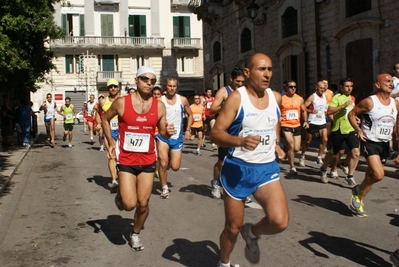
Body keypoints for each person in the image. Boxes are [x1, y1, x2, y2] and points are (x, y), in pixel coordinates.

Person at [210, 53, 288, 266]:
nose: (267, 74)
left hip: (265, 169)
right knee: (232, 228)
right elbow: (215, 134)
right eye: (261, 69)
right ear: (247, 72)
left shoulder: (275, 97)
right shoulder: (237, 98)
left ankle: (252, 232)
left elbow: (274, 121)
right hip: (238, 169)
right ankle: (224, 262)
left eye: (270, 69)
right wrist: (240, 141)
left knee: (279, 221)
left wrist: (276, 143)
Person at [102, 66, 174, 251]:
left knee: (143, 204)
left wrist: (168, 132)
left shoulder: (159, 106)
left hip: (148, 160)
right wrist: (110, 142)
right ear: (136, 80)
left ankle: (135, 234)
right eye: (145, 79)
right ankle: (121, 195)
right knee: (128, 204)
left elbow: (163, 133)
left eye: (152, 81)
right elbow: (104, 119)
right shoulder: (121, 103)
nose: (149, 83)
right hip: (126, 160)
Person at [348, 73, 399, 217]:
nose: (391, 84)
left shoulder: (395, 104)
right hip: (369, 141)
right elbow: (351, 114)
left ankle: (358, 200)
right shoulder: (369, 102)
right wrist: (358, 130)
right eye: (387, 81)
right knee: (378, 175)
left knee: (370, 174)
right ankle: (358, 189)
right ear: (378, 85)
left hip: (384, 144)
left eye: (392, 82)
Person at [209, 67, 245, 199]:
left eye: (242, 82)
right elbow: (212, 109)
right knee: (222, 161)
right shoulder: (224, 91)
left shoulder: (245, 92)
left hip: (241, 132)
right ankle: (216, 184)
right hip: (226, 132)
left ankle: (240, 189)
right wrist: (226, 105)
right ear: (231, 79)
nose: (240, 84)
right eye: (238, 81)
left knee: (242, 162)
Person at [156, 77, 193, 199]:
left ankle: (168, 159)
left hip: (177, 137)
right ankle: (164, 188)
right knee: (162, 163)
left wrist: (188, 130)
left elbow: (190, 114)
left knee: (175, 167)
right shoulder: (159, 100)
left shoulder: (182, 100)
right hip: (162, 136)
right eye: (169, 86)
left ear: (177, 87)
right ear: (165, 86)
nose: (172, 88)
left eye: (174, 86)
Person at [319, 78, 360, 186]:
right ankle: (323, 169)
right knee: (333, 152)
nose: (349, 88)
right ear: (341, 87)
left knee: (356, 152)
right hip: (339, 130)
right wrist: (342, 106)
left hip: (351, 129)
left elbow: (351, 113)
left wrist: (356, 118)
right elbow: (329, 111)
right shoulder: (336, 97)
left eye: (351, 86)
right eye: (347, 86)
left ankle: (350, 176)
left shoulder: (352, 98)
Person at [280, 80, 308, 175]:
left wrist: (305, 121)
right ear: (286, 88)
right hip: (285, 124)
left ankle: (285, 149)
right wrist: (278, 117)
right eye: (291, 87)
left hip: (296, 125)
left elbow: (303, 110)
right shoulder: (281, 98)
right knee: (291, 145)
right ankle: (292, 167)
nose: (293, 88)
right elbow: (276, 109)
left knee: (296, 148)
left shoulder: (299, 99)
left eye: (294, 87)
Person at [96, 79, 120, 189]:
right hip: (108, 131)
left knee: (122, 156)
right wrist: (98, 123)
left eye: (115, 86)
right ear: (108, 89)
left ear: (118, 87)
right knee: (111, 156)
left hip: (121, 131)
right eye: (111, 87)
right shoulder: (103, 101)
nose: (113, 88)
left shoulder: (123, 100)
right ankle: (114, 180)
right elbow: (98, 111)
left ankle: (122, 175)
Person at [299, 80, 329, 166]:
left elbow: (325, 107)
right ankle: (302, 155)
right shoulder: (312, 97)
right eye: (320, 88)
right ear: (316, 88)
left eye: (324, 88)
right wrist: (310, 111)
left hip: (322, 121)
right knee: (308, 141)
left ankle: (319, 157)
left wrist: (326, 111)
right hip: (312, 121)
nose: (322, 90)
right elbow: (303, 107)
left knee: (325, 139)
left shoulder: (325, 97)